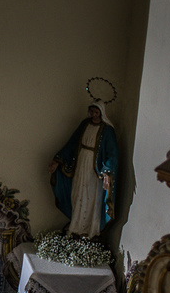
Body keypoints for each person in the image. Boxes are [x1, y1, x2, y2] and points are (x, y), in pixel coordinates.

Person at [48, 100, 119, 238]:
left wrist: (107, 172)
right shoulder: (85, 124)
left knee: (92, 196)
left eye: (96, 112)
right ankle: (75, 225)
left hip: (96, 169)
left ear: (101, 112)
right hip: (81, 164)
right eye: (91, 111)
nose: (93, 114)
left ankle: (89, 230)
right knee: (77, 193)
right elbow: (72, 143)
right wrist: (58, 160)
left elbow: (112, 153)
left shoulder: (107, 130)